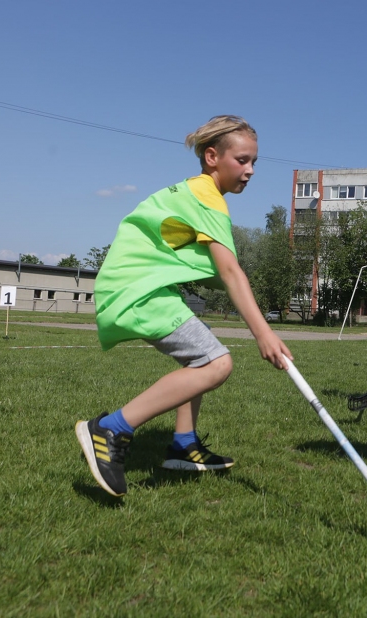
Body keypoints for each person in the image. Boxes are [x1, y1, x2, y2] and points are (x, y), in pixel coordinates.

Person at [75, 115, 293, 498]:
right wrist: (264, 332)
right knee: (216, 363)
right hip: (138, 289)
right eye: (242, 160)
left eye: (254, 162)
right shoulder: (206, 198)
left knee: (202, 356)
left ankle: (183, 444)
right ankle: (110, 428)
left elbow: (210, 267)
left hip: (141, 285)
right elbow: (230, 272)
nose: (250, 170)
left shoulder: (194, 193)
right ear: (212, 157)